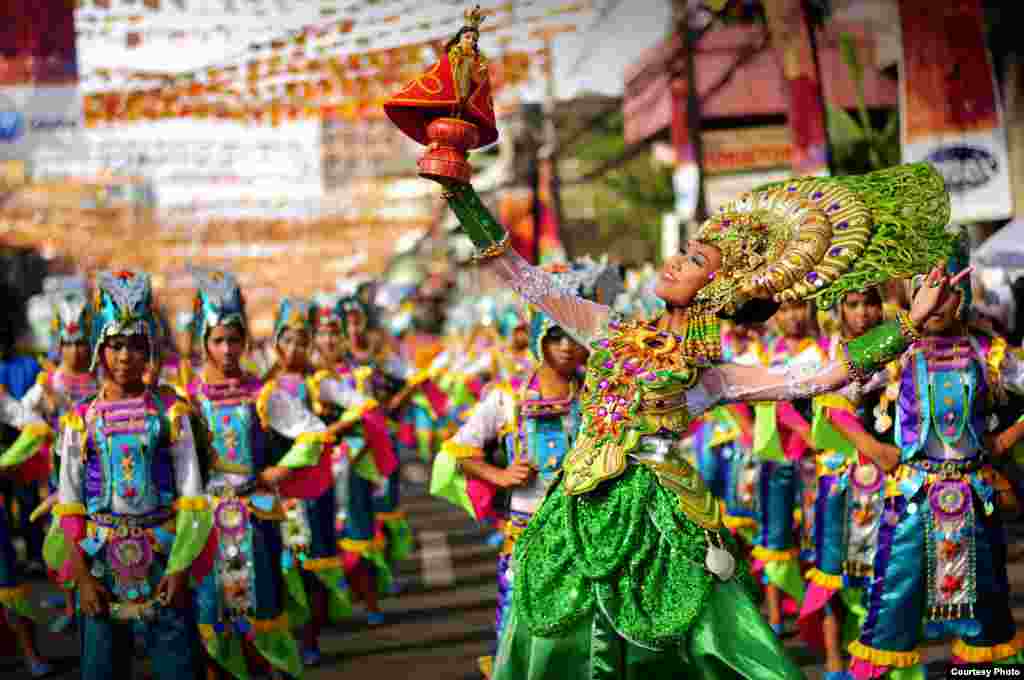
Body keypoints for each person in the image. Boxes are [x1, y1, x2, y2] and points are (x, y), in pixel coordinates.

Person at [434, 160, 959, 679]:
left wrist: (910, 323)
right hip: (572, 508)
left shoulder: (712, 376)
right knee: (556, 641)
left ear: (714, 289)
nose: (672, 262)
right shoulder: (606, 329)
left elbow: (822, 378)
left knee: (686, 646)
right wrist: (462, 194)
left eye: (691, 260)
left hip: (658, 521)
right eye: (682, 252)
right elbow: (523, 278)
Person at [836, 251, 1024, 678]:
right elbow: (833, 397)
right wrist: (871, 446)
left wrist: (1005, 439)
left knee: (988, 624)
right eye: (928, 293)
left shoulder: (987, 353)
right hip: (911, 500)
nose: (937, 305)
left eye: (947, 295)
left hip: (975, 501)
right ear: (914, 297)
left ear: (963, 298)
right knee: (889, 616)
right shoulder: (896, 352)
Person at [433, 259, 622, 678]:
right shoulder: (506, 399)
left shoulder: (595, 396)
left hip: (585, 531)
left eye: (574, 336)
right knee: (519, 621)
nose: (568, 347)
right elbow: (457, 450)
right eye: (556, 337)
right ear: (539, 339)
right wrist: (500, 476)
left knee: (588, 629)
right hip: (526, 530)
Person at [51, 269, 212, 680]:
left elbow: (192, 496)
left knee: (179, 664)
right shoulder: (80, 419)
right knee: (103, 666)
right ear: (100, 350)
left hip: (163, 554)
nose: (126, 357)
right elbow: (69, 504)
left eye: (136, 346)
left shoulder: (169, 413)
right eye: (116, 345)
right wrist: (83, 580)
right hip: (101, 558)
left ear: (150, 350)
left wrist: (179, 569)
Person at [185, 269, 332, 680]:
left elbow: (314, 433)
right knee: (214, 620)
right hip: (209, 521)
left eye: (234, 339)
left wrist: (279, 471)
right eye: (218, 340)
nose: (228, 349)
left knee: (262, 612)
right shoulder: (187, 398)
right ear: (204, 343)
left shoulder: (261, 393)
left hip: (256, 514)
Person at [796, 288, 887, 680]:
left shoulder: (897, 353)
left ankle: (872, 659)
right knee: (832, 570)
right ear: (838, 309)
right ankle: (834, 664)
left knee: (880, 571)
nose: (864, 313)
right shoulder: (818, 355)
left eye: (871, 303)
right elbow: (785, 400)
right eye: (852, 304)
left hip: (886, 480)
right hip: (834, 481)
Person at [1, 285, 98, 636]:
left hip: (102, 474)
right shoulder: (50, 380)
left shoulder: (102, 379)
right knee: (65, 540)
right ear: (60, 345)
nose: (75, 350)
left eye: (82, 342)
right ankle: (72, 604)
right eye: (69, 343)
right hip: (64, 475)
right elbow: (24, 413)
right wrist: (47, 424)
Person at [263, 298, 354, 667]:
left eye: (302, 341)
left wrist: (330, 430)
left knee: (314, 565)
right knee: (282, 568)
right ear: (276, 345)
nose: (295, 349)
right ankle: (284, 643)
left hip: (313, 487)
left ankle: (311, 640)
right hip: (276, 489)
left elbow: (363, 406)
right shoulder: (262, 386)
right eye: (288, 341)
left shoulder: (319, 383)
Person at [309, 295, 397, 627]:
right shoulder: (306, 378)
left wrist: (347, 435)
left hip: (354, 462)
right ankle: (320, 619)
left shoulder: (357, 373)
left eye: (334, 332)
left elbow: (370, 409)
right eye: (322, 333)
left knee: (360, 534)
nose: (329, 340)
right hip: (316, 469)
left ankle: (370, 602)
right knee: (316, 542)